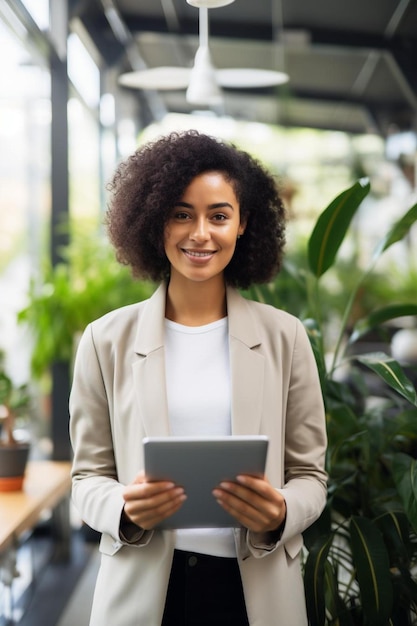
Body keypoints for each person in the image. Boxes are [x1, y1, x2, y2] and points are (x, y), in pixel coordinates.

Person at [69, 129, 327, 626]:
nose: (200, 233)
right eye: (181, 214)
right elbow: (86, 477)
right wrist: (124, 508)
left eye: (219, 216)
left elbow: (310, 476)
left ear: (244, 223)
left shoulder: (285, 338)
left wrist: (279, 515)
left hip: (253, 589)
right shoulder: (106, 340)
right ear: (155, 221)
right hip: (146, 589)